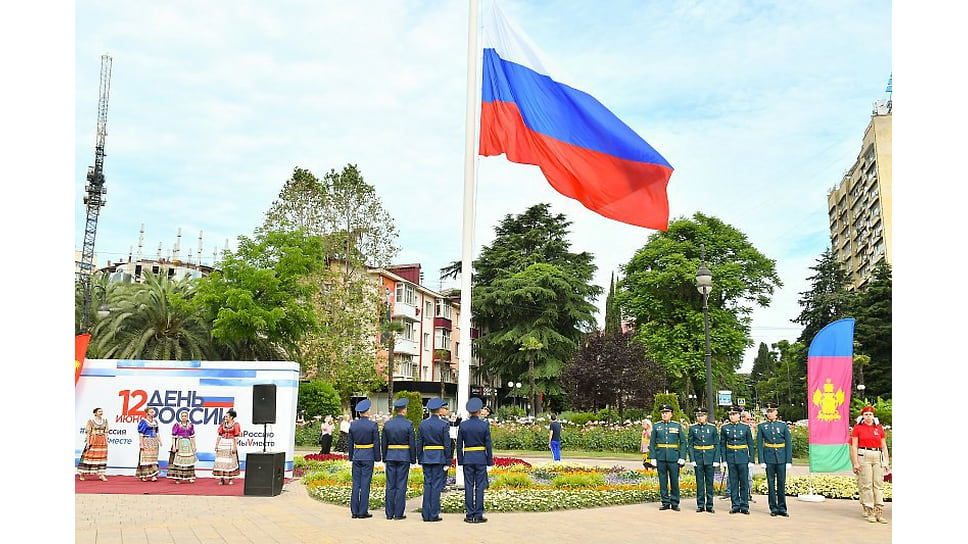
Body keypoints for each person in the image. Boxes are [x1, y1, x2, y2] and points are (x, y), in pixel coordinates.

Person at [850, 405, 891, 524]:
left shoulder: (878, 428)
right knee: (867, 484)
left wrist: (887, 461)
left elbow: (883, 445)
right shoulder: (858, 428)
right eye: (866, 414)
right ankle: (870, 510)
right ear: (862, 416)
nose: (868, 416)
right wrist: (855, 462)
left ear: (873, 416)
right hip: (864, 455)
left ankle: (879, 511)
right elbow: (854, 446)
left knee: (878, 484)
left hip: (877, 455)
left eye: (870, 414)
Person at [457, 397, 493, 523]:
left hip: (467, 458)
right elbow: (488, 444)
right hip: (480, 458)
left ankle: (469, 513)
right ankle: (478, 514)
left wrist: (460, 460)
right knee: (479, 487)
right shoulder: (484, 425)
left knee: (468, 486)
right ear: (479, 411)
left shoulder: (463, 425)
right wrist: (489, 460)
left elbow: (459, 444)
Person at [381, 398, 416, 520]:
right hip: (404, 456)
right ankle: (398, 513)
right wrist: (413, 459)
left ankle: (389, 513)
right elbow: (412, 443)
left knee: (390, 485)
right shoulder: (409, 424)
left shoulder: (388, 424)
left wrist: (384, 457)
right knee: (401, 485)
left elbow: (383, 442)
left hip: (390, 455)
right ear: (404, 410)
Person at [417, 397, 451, 522]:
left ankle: (425, 514)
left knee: (428, 485)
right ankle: (434, 514)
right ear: (439, 409)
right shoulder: (444, 424)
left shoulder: (423, 424)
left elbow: (419, 442)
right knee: (436, 486)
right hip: (439, 456)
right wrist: (448, 460)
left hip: (427, 456)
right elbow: (447, 444)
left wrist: (420, 457)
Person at [756, 402, 792, 517]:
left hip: (781, 458)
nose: (770, 414)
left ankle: (782, 507)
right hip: (769, 458)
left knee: (781, 483)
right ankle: (773, 507)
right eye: (768, 412)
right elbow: (760, 444)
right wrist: (762, 460)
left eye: (772, 411)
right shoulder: (762, 426)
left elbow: (788, 443)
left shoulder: (783, 426)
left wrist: (788, 460)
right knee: (771, 483)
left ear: (776, 412)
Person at [648, 404, 686, 511]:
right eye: (663, 413)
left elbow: (683, 442)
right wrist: (653, 457)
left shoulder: (676, 426)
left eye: (667, 413)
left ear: (671, 414)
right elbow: (652, 443)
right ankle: (665, 502)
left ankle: (675, 502)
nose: (664, 415)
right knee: (663, 481)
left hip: (673, 457)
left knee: (674, 480)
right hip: (660, 457)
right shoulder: (657, 426)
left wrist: (682, 456)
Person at [348, 399, 381, 519]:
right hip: (368, 456)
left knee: (356, 484)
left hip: (357, 455)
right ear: (367, 412)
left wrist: (351, 456)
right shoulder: (373, 425)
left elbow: (350, 442)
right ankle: (363, 511)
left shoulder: (353, 424)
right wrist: (377, 457)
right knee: (365, 484)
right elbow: (376, 442)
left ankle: (354, 511)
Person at [720, 405, 754, 514]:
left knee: (744, 482)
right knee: (733, 482)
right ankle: (735, 505)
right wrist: (724, 459)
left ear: (739, 415)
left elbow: (750, 444)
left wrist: (751, 460)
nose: (732, 416)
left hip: (743, 457)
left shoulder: (745, 428)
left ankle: (744, 505)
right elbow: (722, 445)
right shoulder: (725, 428)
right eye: (730, 414)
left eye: (734, 414)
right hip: (731, 458)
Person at [687, 407, 719, 513]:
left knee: (709, 482)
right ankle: (700, 504)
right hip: (698, 458)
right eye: (698, 416)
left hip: (709, 458)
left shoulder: (712, 428)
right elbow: (690, 444)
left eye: (702, 415)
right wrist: (692, 458)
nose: (700, 418)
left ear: (706, 416)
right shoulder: (693, 428)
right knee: (699, 482)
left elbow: (716, 444)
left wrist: (716, 459)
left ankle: (709, 505)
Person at [77, 407, 109, 481]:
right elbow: (88, 432)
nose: (101, 413)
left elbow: (106, 431)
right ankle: (82, 474)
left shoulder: (105, 421)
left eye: (102, 411)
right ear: (95, 413)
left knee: (102, 458)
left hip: (102, 441)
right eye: (99, 411)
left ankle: (101, 474)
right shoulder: (90, 421)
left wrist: (106, 441)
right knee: (88, 457)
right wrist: (88, 442)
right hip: (93, 440)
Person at [212, 409, 241, 485]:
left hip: (230, 443)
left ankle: (230, 479)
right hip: (223, 443)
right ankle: (221, 479)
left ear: (231, 417)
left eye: (227, 416)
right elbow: (219, 435)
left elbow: (236, 437)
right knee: (221, 461)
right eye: (225, 416)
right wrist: (217, 445)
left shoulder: (236, 425)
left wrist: (234, 447)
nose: (225, 418)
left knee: (229, 461)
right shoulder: (223, 424)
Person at [169, 409, 197, 484]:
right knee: (179, 460)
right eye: (182, 416)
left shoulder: (190, 425)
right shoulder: (177, 425)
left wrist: (194, 446)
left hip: (188, 443)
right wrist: (174, 446)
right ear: (180, 417)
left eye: (185, 416)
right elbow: (173, 436)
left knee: (189, 460)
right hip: (180, 442)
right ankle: (178, 477)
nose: (184, 417)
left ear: (187, 417)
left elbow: (192, 436)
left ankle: (190, 476)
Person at [135, 406, 161, 482]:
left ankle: (153, 475)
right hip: (146, 440)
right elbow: (141, 434)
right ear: (147, 413)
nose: (153, 413)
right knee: (145, 458)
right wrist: (141, 443)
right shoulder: (143, 421)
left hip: (154, 441)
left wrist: (160, 440)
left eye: (153, 412)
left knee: (153, 458)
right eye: (151, 412)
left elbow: (157, 432)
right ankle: (143, 475)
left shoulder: (155, 422)